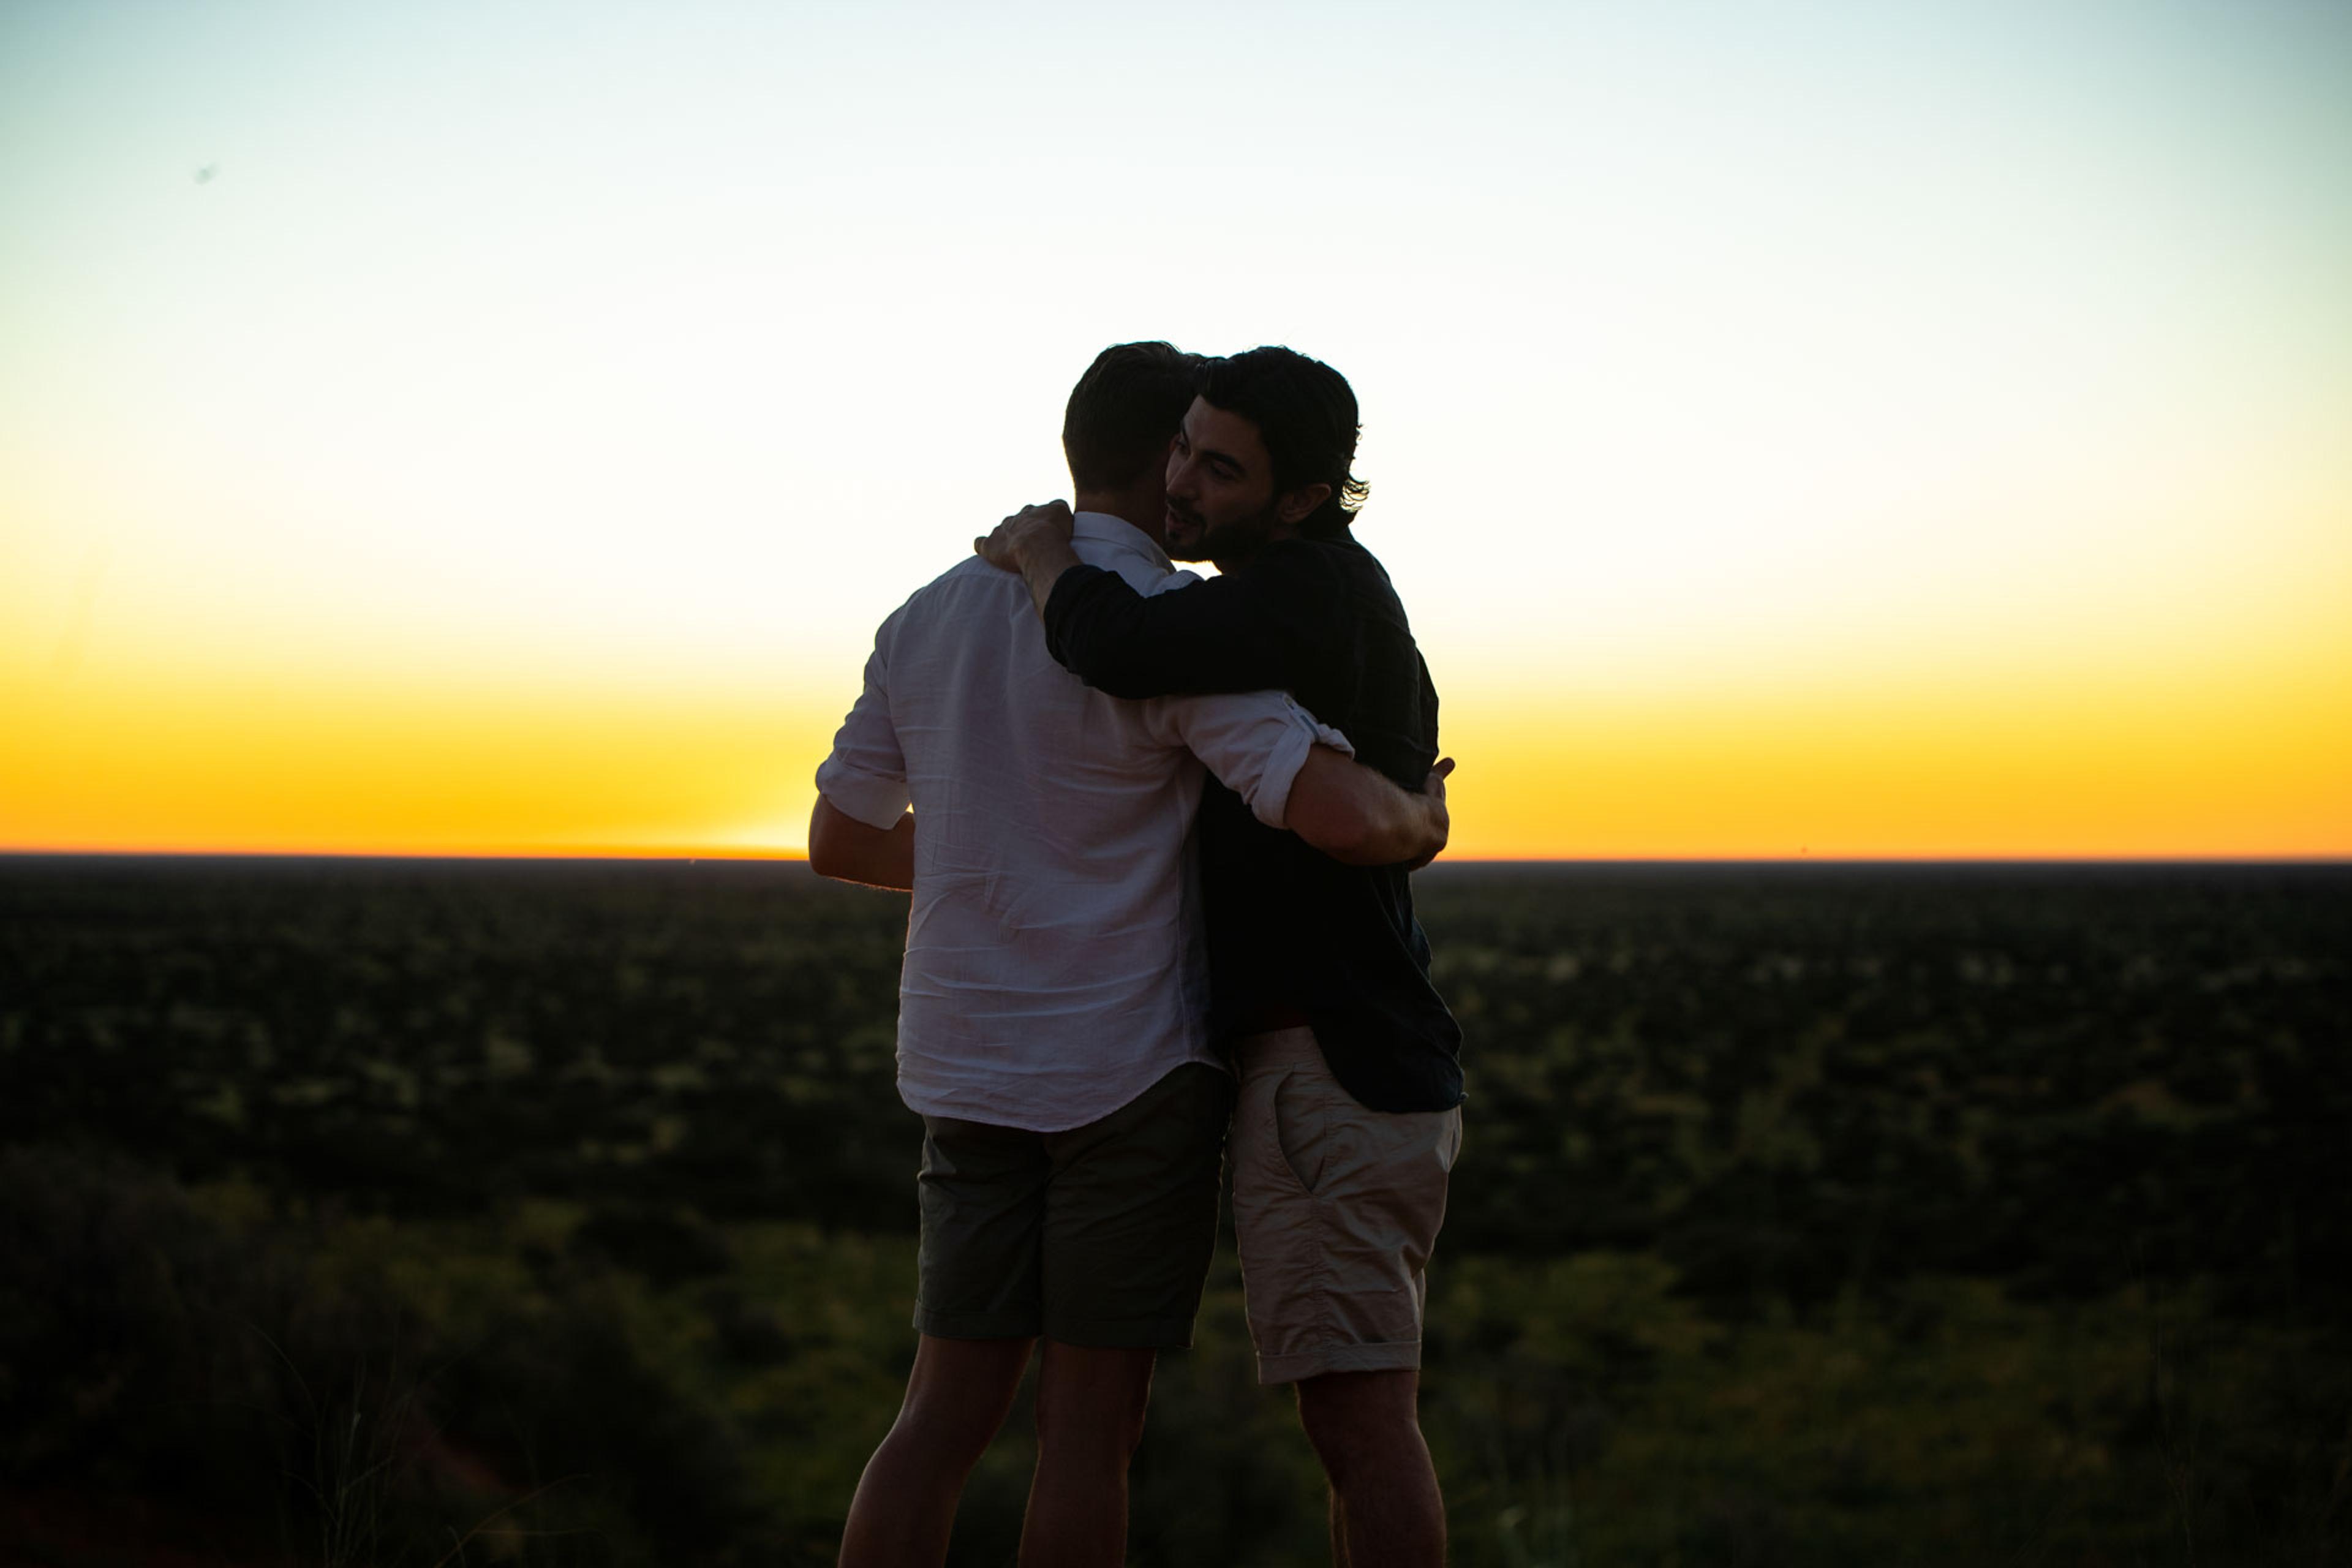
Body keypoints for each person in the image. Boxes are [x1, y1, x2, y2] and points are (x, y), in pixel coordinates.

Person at [809, 341, 1452, 1568]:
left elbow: (840, 836)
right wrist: (1422, 814)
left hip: (964, 1064)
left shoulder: (927, 616)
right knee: (1087, 1432)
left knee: (938, 1414)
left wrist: (979, 859)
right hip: (1128, 1073)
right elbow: (1334, 809)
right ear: (1167, 462)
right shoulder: (1178, 633)